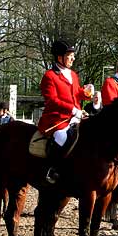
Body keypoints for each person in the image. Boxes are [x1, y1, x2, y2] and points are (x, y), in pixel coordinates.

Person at [37, 40, 94, 184]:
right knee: (62, 137)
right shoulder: (49, 76)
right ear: (59, 57)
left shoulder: (73, 75)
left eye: (73, 55)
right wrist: (73, 110)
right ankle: (52, 169)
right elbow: (52, 101)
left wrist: (86, 93)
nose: (73, 58)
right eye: (70, 55)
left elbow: (76, 93)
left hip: (75, 116)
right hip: (56, 119)